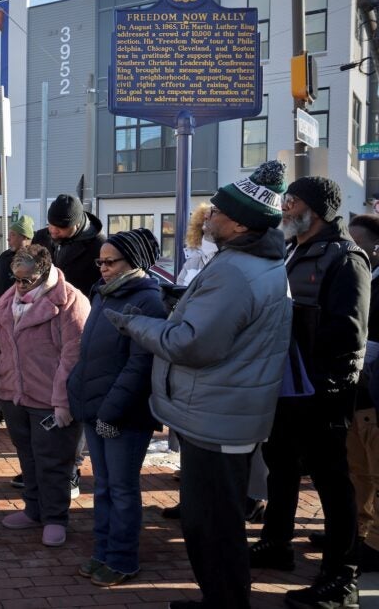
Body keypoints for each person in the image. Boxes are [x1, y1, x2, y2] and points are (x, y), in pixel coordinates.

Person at [105, 160, 291, 609]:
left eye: (219, 212)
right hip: (224, 414)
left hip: (217, 419)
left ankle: (224, 601)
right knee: (216, 524)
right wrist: (180, 303)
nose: (209, 217)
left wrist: (136, 324)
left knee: (212, 527)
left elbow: (191, 345)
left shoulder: (236, 270)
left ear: (241, 222)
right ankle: (221, 598)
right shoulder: (252, 262)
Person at [250, 175, 369, 609]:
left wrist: (290, 328)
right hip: (288, 385)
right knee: (279, 464)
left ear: (313, 209)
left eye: (291, 200)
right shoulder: (293, 249)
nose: (283, 207)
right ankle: (276, 544)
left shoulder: (345, 258)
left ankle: (342, 579)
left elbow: (348, 333)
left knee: (332, 484)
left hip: (323, 390)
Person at [67, 228, 166, 586]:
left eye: (111, 262)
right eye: (100, 261)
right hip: (96, 410)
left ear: (133, 262)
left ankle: (122, 559)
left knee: (122, 488)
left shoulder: (148, 301)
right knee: (104, 486)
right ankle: (102, 552)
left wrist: (111, 410)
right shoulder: (104, 295)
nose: (103, 268)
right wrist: (76, 387)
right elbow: (90, 351)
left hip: (124, 416)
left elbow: (139, 367)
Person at [0, 244, 89, 546]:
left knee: (54, 461)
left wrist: (62, 402)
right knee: (27, 457)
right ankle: (33, 509)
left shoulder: (70, 302)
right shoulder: (7, 301)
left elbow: (74, 357)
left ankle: (55, 517)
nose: (19, 285)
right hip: (14, 395)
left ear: (44, 274)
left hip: (50, 401)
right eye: (15, 278)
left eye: (25, 280)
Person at [34, 193, 106, 497]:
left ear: (76, 225)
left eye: (60, 229)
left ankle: (72, 468)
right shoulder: (42, 237)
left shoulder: (99, 246)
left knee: (71, 399)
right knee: (42, 398)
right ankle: (39, 467)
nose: (53, 233)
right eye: (50, 227)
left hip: (79, 328)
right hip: (41, 328)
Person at [0, 214, 35, 430]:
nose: (8, 239)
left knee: (18, 370)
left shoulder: (34, 261)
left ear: (25, 237)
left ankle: (19, 413)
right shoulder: (4, 258)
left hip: (22, 323)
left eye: (13, 235)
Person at [346, 213, 379, 573]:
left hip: (374, 389)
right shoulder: (361, 277)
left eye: (358, 242)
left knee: (376, 469)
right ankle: (359, 529)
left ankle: (375, 543)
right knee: (359, 469)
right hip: (360, 392)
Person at [174, 203, 217, 287]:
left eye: (214, 213)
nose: (206, 218)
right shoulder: (192, 261)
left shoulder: (230, 255)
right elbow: (180, 293)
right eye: (205, 220)